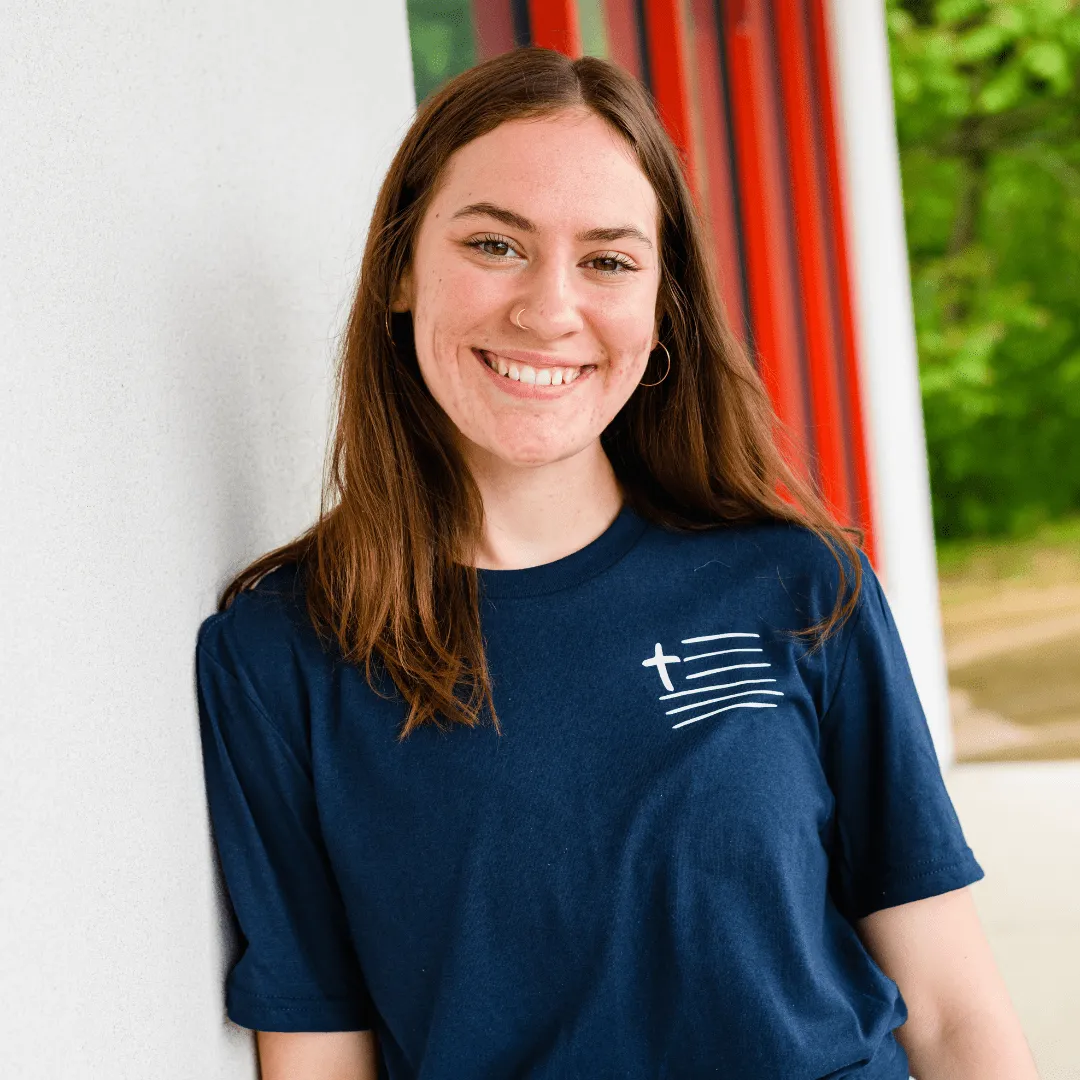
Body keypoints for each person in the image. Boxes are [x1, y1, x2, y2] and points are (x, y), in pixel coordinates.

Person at [195, 46, 1038, 1080]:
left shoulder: (799, 587)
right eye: (497, 244)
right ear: (404, 269)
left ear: (659, 312)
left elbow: (952, 1014)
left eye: (608, 260)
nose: (550, 309)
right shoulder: (283, 652)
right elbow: (321, 1054)